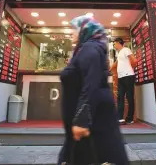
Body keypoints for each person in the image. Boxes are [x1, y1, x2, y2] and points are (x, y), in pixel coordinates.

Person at [58, 15, 128, 165]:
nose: (71, 33)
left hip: (94, 123)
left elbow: (91, 83)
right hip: (87, 124)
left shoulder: (89, 48)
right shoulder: (86, 49)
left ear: (85, 30)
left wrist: (82, 121)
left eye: (74, 29)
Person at [110, 38, 137, 125]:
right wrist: (107, 71)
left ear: (118, 43)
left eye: (114, 43)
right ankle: (120, 119)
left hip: (128, 76)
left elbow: (134, 60)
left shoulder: (126, 49)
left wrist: (129, 69)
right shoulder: (119, 53)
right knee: (120, 97)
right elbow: (116, 64)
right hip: (121, 78)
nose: (114, 45)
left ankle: (130, 118)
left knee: (129, 98)